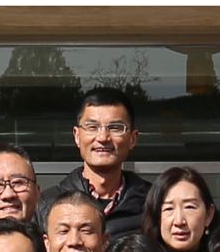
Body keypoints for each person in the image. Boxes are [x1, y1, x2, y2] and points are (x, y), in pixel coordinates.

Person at [53, 87, 156, 240]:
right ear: (77, 136)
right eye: (92, 127)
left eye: (115, 128)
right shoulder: (49, 203)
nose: (103, 137)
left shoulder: (153, 203)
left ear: (133, 138)